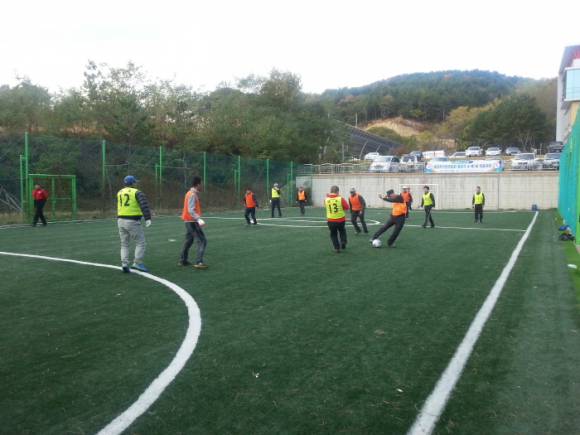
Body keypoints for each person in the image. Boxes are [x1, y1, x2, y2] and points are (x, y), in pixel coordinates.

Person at [117, 175, 151, 272]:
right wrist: (147, 218)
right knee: (141, 242)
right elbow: (143, 205)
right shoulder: (137, 192)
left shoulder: (120, 192)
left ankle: (124, 263)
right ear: (133, 183)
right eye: (135, 182)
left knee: (124, 244)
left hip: (120, 220)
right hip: (132, 221)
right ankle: (137, 262)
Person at [179, 176, 208, 268]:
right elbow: (191, 209)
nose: (202, 186)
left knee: (188, 241)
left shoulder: (189, 193)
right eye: (201, 184)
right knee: (202, 241)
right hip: (192, 221)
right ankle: (199, 261)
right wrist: (198, 219)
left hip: (188, 221)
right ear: (198, 185)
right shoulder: (192, 194)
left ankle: (183, 260)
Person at [324, 186, 349, 253]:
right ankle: (343, 241)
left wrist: (328, 197)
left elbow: (326, 205)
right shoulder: (340, 199)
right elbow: (346, 207)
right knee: (342, 231)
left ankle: (336, 248)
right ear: (337, 191)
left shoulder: (326, 199)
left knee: (333, 234)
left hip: (331, 220)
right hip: (341, 219)